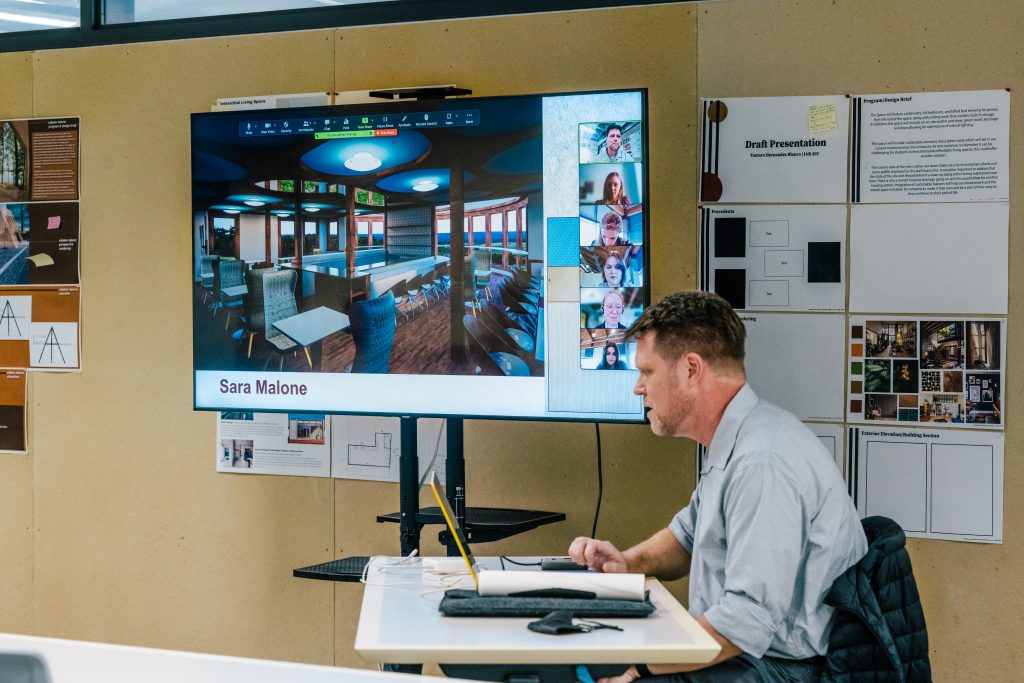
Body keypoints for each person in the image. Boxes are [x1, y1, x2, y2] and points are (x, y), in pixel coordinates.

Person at [569, 291, 867, 683]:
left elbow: (747, 620)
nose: (638, 388)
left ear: (691, 370)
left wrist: (637, 664)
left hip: (779, 669)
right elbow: (688, 537)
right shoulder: (739, 438)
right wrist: (629, 562)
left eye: (647, 372)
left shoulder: (762, 463)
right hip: (751, 654)